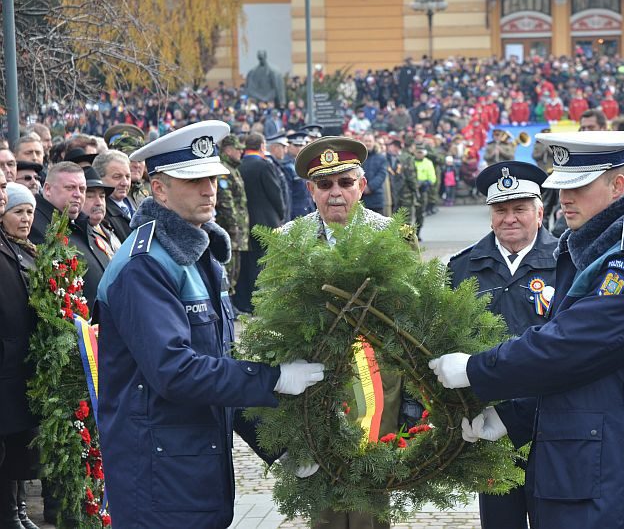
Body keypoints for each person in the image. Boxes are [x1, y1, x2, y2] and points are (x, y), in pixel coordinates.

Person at [430, 131, 624, 528]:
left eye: (579, 186)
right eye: (560, 187)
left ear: (618, 186)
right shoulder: (598, 250)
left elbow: (570, 346)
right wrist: (515, 418)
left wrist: (476, 369)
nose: (566, 198)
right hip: (592, 464)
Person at [95, 121, 325, 528]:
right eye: (194, 180)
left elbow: (220, 363)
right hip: (158, 476)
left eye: (213, 178)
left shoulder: (197, 253)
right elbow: (176, 371)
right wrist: (272, 378)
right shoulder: (146, 264)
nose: (209, 190)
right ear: (160, 189)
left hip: (191, 466)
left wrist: (274, 445)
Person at [289, 136, 410, 529]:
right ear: (311, 191)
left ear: (362, 185)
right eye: (325, 185)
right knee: (322, 495)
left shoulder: (393, 235)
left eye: (345, 182)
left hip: (378, 385)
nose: (335, 193)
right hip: (315, 381)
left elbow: (412, 315)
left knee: (371, 496)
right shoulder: (291, 239)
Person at [448, 161, 557, 529]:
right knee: (499, 522)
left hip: (552, 421)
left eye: (519, 209)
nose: (510, 218)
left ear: (539, 213)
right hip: (490, 424)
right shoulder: (462, 269)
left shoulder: (567, 264)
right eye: (501, 210)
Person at [0, 181, 41, 529]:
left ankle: (17, 510)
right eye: (19, 210)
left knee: (17, 444)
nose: (26, 218)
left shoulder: (25, 249)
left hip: (20, 359)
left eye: (31, 211)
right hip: (7, 358)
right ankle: (9, 513)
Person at [29, 162, 110, 309]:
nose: (78, 194)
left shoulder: (79, 223)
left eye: (82, 189)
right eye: (70, 188)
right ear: (47, 189)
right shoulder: (34, 224)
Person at [233, 132, 286, 313]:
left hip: (243, 224)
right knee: (263, 265)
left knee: (246, 265)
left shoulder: (238, 166)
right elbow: (275, 193)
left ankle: (245, 303)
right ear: (262, 146)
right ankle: (260, 304)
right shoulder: (264, 166)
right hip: (265, 222)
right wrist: (281, 215)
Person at [216, 134, 250, 293]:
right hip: (229, 227)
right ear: (228, 150)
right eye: (238, 149)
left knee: (235, 267)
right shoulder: (223, 169)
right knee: (228, 267)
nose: (240, 152)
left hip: (237, 228)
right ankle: (227, 298)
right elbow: (226, 201)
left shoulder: (232, 169)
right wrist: (234, 225)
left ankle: (231, 297)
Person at [93, 150, 135, 241]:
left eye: (128, 177)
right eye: (117, 177)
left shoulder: (135, 202)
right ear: (99, 178)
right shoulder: (99, 214)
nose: (125, 183)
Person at [360, 133, 388, 214]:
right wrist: (362, 187)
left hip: (376, 199)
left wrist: (370, 187)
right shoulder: (358, 158)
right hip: (361, 199)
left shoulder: (381, 158)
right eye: (366, 141)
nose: (368, 143)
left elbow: (382, 175)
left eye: (370, 141)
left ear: (374, 142)